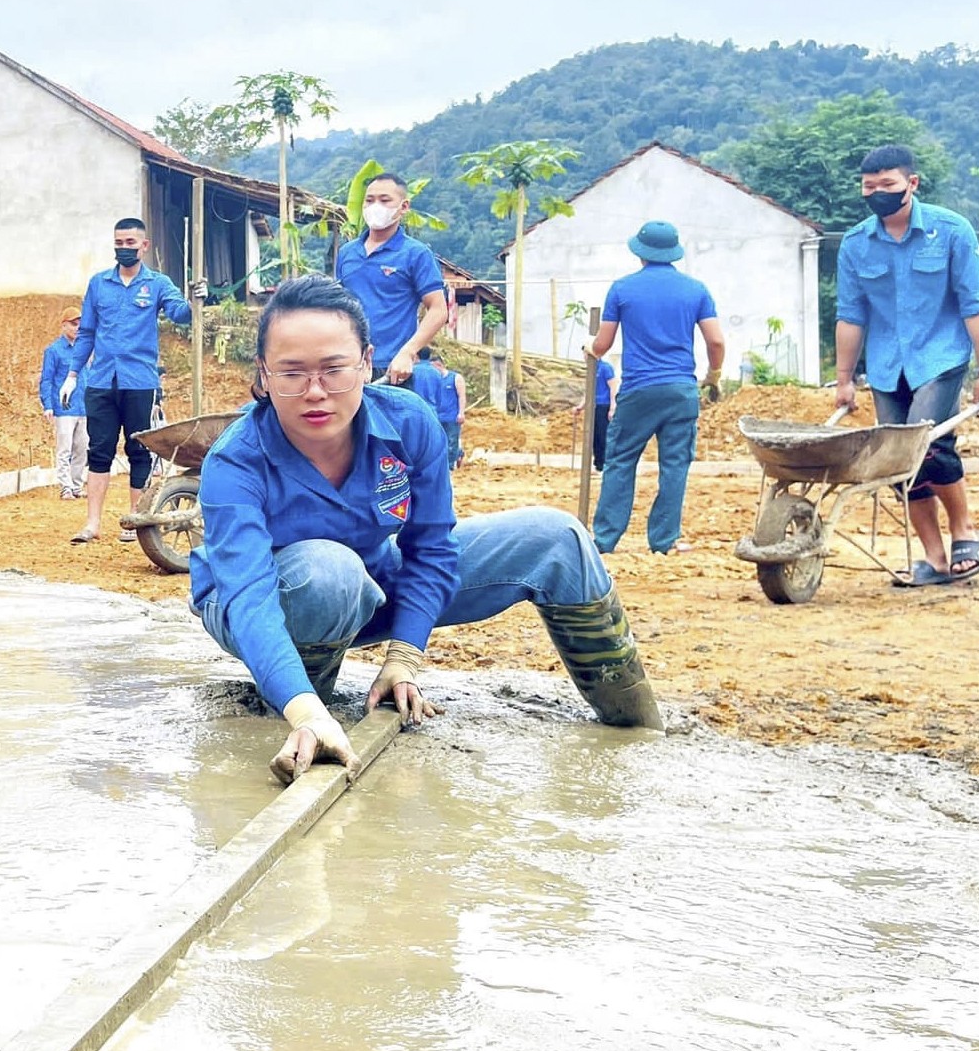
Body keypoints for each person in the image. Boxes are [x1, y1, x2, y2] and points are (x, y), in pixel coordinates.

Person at [191, 275, 660, 784]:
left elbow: (432, 549)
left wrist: (404, 655)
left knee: (558, 538)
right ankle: (305, 702)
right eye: (292, 373)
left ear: (367, 362)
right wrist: (304, 711)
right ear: (263, 374)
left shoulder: (410, 423)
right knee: (329, 572)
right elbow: (249, 595)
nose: (315, 392)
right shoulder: (235, 461)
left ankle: (637, 723)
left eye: (334, 370)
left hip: (373, 582)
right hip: (270, 603)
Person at [834, 144, 979, 586]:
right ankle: (934, 556)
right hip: (888, 366)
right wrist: (843, 381)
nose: (878, 193)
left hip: (940, 357)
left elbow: (976, 305)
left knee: (928, 445)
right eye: (869, 187)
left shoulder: (951, 231)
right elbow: (851, 316)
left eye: (887, 185)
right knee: (895, 463)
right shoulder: (856, 244)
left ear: (912, 183)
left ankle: (965, 531)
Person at [58, 217, 201, 543]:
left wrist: (195, 300)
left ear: (144, 246)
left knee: (139, 451)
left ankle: (136, 522)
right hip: (101, 382)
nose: (124, 249)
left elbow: (179, 314)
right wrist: (72, 375)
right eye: (119, 243)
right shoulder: (98, 284)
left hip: (140, 382)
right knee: (99, 451)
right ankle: (92, 524)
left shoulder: (158, 284)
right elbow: (87, 334)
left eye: (130, 244)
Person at [589, 221, 724, 555]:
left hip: (638, 391)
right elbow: (716, 341)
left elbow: (602, 345)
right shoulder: (697, 290)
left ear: (640, 253)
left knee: (620, 461)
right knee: (675, 465)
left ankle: (605, 540)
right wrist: (714, 375)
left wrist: (591, 349)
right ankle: (664, 540)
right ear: (673, 252)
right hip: (681, 391)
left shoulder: (621, 290)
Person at [334, 172, 447, 383]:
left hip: (392, 368)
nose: (376, 206)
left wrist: (408, 352)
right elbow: (337, 304)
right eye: (370, 200)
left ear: (404, 207)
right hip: (349, 364)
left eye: (385, 200)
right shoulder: (347, 252)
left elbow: (439, 309)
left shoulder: (416, 254)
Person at [39, 306, 88, 498]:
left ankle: (76, 485)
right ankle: (65, 486)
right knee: (64, 448)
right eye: (74, 324)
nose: (77, 328)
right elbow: (47, 379)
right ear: (64, 325)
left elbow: (88, 376)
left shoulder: (84, 349)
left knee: (82, 448)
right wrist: (48, 405)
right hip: (64, 407)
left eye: (80, 324)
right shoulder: (54, 351)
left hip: (84, 406)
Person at [571, 357, 617, 471]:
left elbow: (613, 387)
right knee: (594, 436)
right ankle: (598, 464)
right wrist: (580, 407)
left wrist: (612, 406)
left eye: (587, 354)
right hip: (593, 406)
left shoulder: (605, 368)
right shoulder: (591, 370)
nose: (585, 357)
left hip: (603, 405)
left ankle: (605, 464)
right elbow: (589, 391)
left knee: (603, 435)